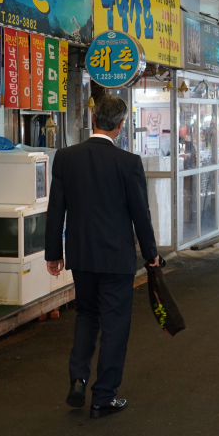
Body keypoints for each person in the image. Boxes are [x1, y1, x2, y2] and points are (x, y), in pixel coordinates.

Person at [45, 94, 160, 419]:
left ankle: (78, 379)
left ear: (92, 119)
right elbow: (141, 214)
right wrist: (151, 254)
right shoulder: (128, 163)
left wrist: (53, 253)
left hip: (81, 255)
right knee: (114, 324)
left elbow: (56, 210)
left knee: (86, 315)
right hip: (117, 258)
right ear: (121, 126)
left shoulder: (66, 158)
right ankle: (103, 396)